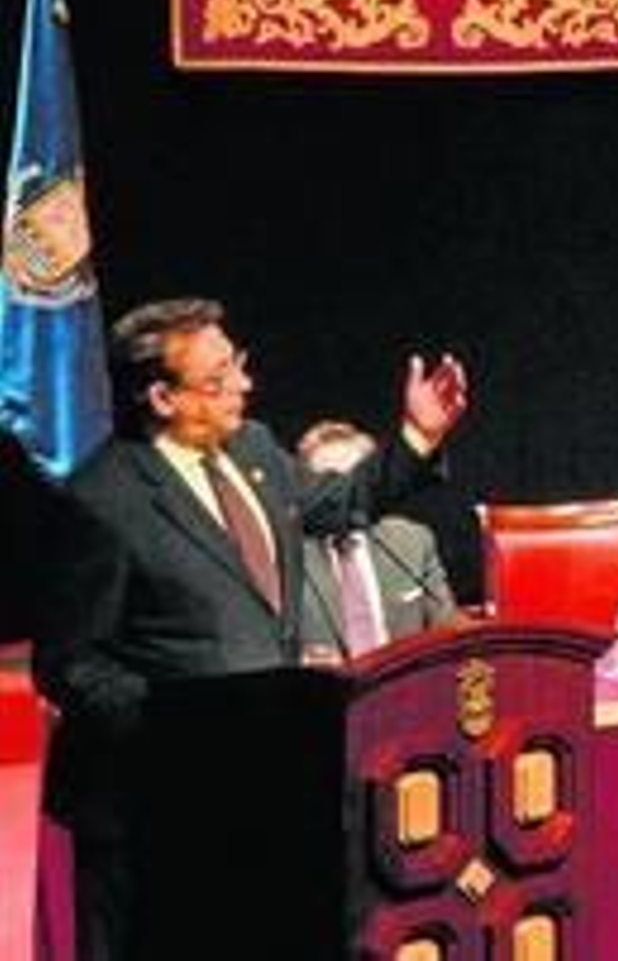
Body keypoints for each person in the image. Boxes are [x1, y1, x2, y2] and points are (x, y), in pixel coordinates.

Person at [29, 296, 468, 960]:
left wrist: (416, 437)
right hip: (159, 810)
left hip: (266, 783)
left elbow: (338, 503)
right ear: (162, 396)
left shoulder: (256, 449)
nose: (244, 383)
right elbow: (69, 663)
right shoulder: (102, 500)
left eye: (236, 363)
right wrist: (183, 726)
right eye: (218, 377)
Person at [296, 417, 461, 661]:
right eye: (330, 485)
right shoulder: (287, 556)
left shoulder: (413, 541)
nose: (343, 498)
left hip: (408, 691)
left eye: (354, 482)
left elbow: (448, 633)